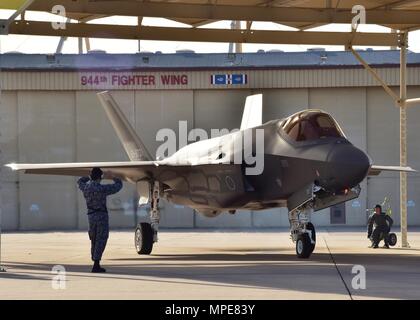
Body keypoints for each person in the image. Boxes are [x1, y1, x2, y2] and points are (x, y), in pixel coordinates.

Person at [77, 168, 123, 273]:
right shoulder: (102, 189)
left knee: (93, 239)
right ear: (100, 177)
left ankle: (95, 260)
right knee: (101, 239)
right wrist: (113, 177)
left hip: (91, 216)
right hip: (101, 216)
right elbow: (118, 186)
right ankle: (96, 264)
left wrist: (88, 177)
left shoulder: (86, 188)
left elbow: (79, 182)